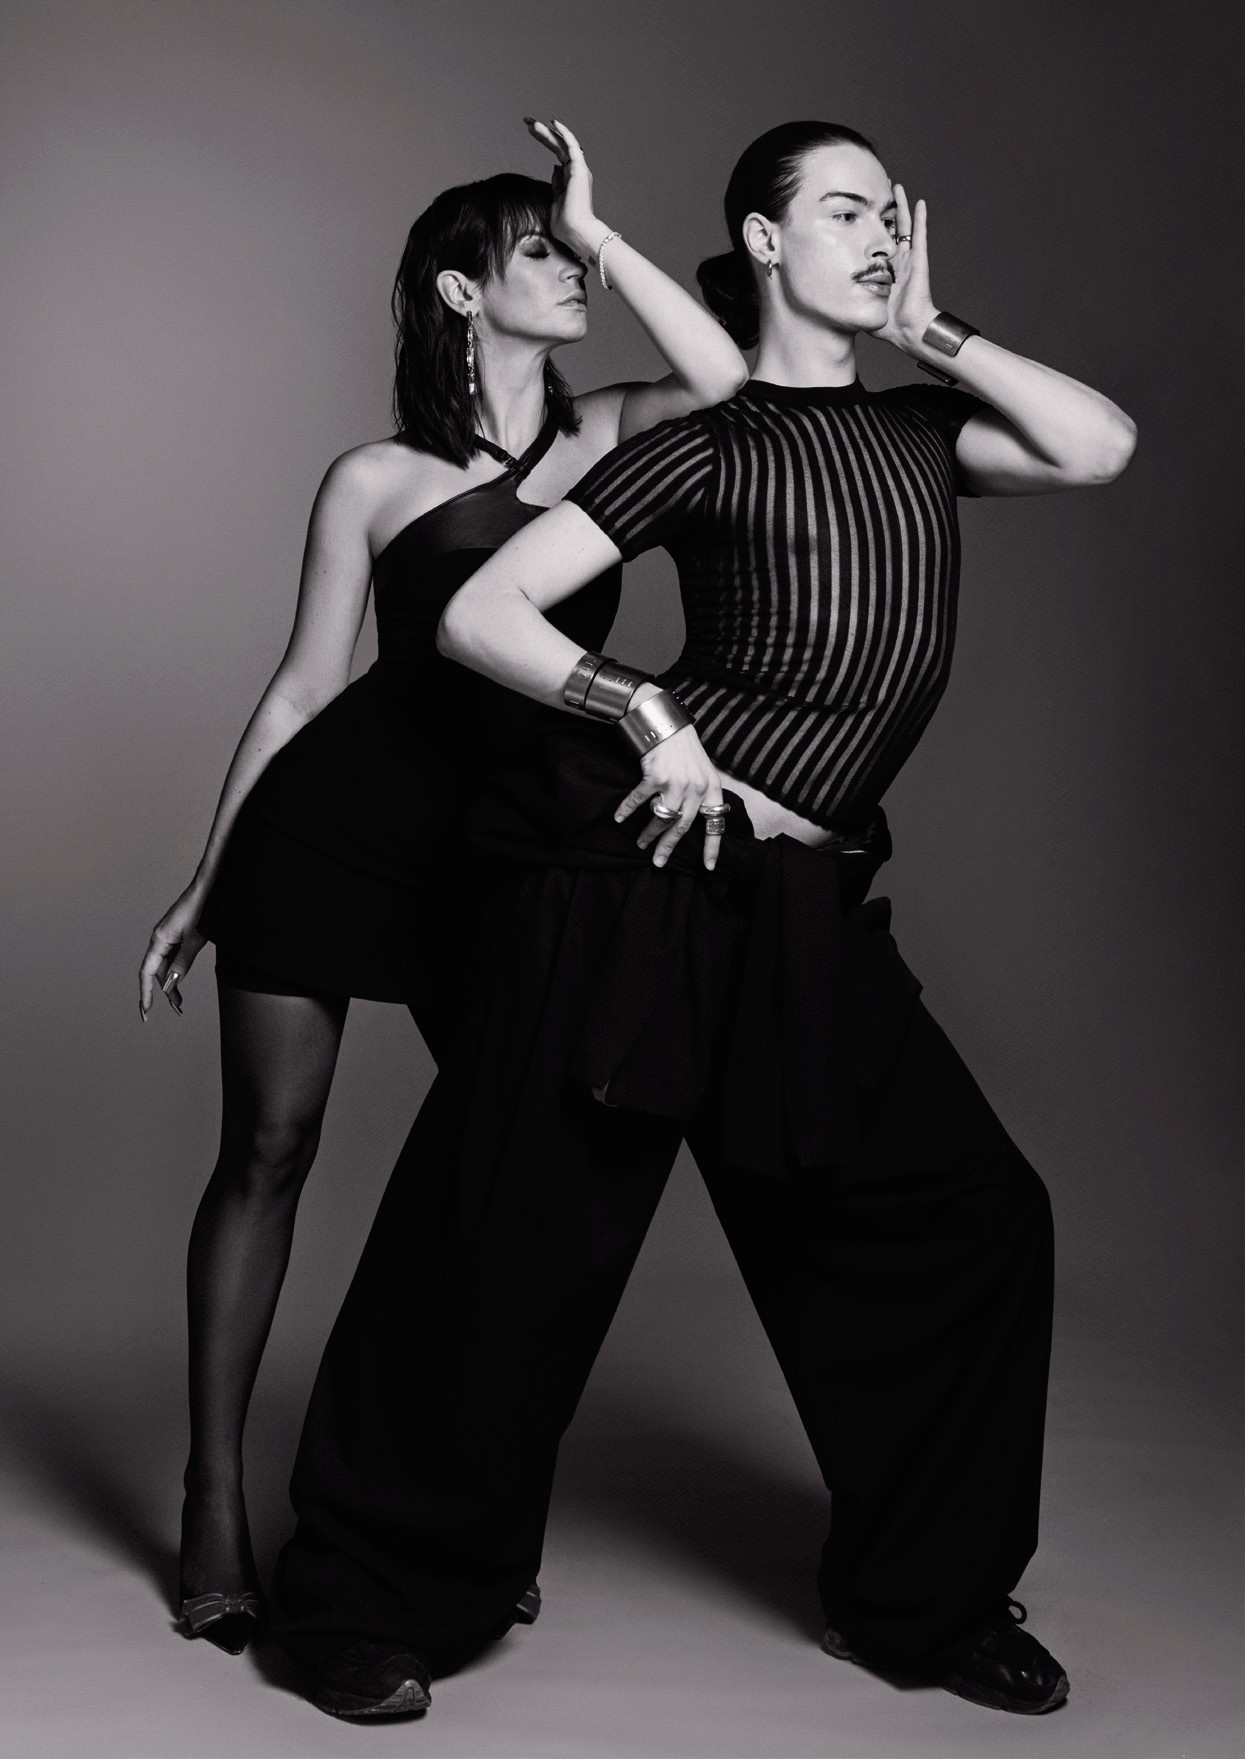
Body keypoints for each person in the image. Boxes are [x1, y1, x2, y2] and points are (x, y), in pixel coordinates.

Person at [268, 121, 1136, 1720]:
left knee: (970, 1220)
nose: (879, 234)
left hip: (804, 902)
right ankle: (359, 1600)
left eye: (891, 213)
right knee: (506, 1240)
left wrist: (930, 329)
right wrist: (645, 713)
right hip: (640, 882)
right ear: (761, 241)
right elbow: (477, 614)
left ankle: (923, 1604)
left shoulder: (920, 429)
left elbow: (1096, 447)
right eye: (843, 211)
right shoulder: (707, 442)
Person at [135, 117, 746, 1657]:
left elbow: (728, 378)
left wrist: (602, 232)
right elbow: (301, 690)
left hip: (500, 863)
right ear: (460, 291)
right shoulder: (374, 476)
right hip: (330, 837)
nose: (571, 270)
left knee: (511, 1186)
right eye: (540, 251)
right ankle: (212, 1499)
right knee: (268, 1151)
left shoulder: (613, 433)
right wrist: (206, 878)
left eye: (572, 251)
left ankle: (454, 1515)